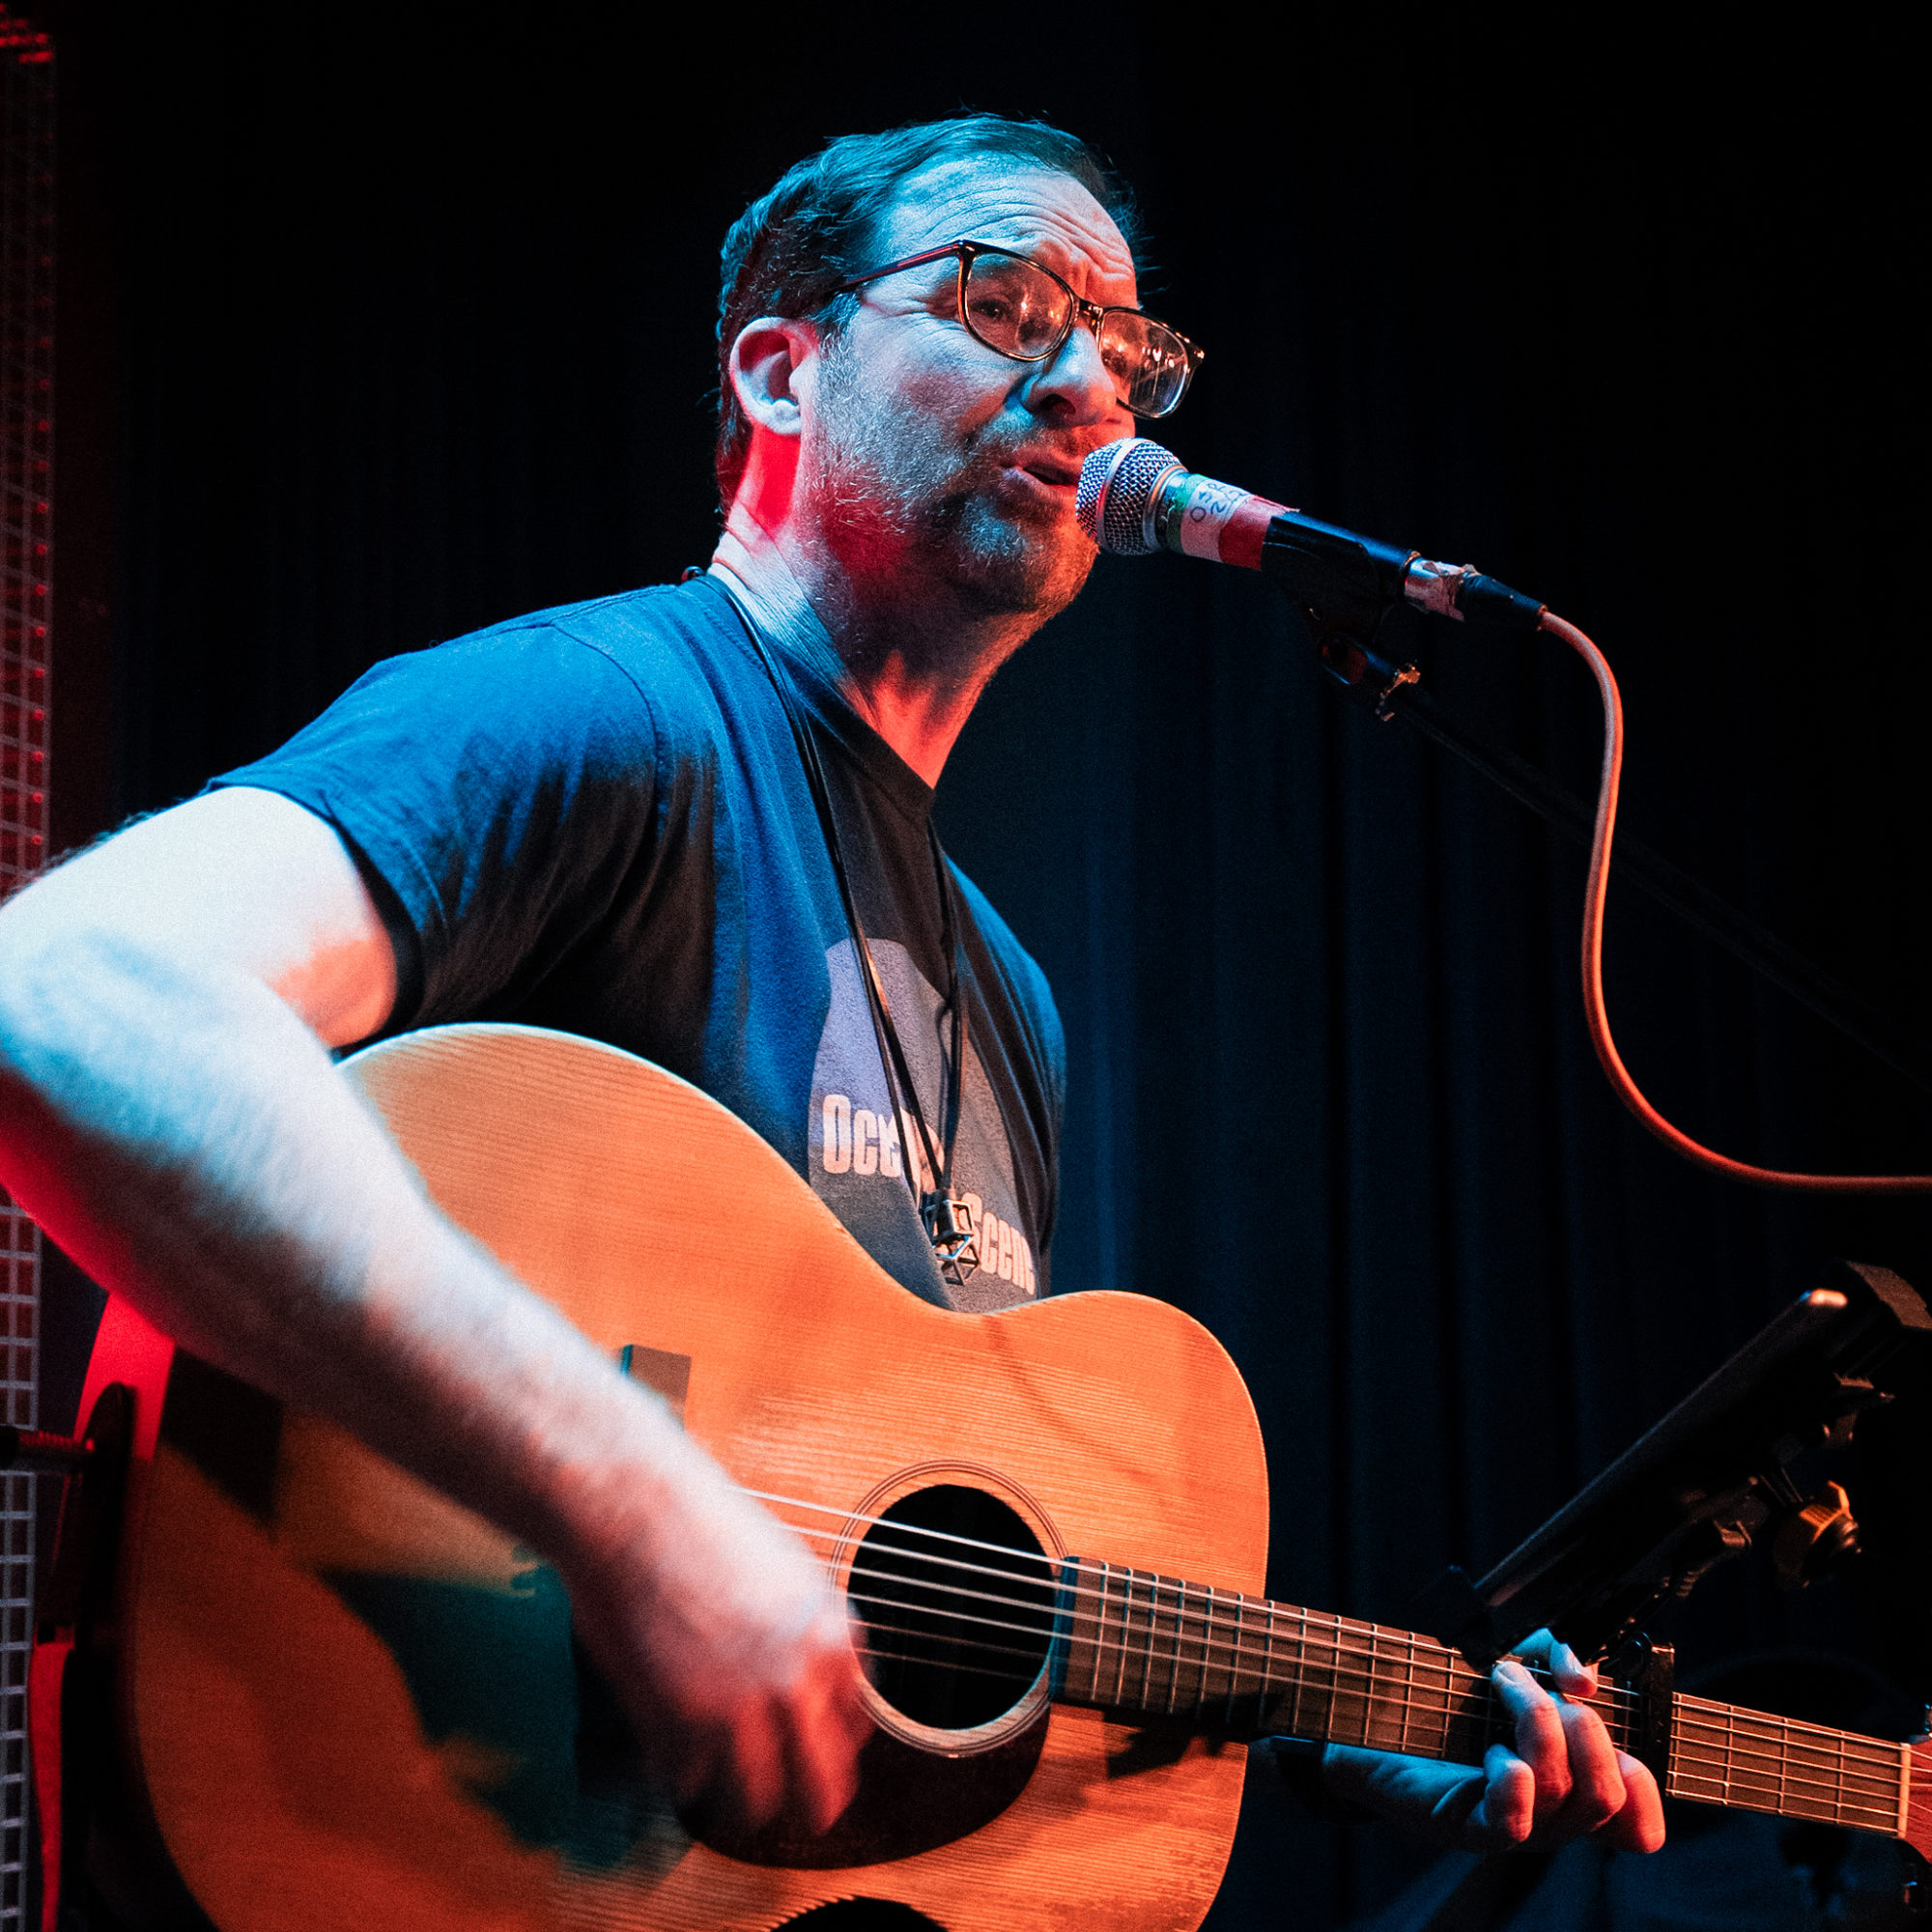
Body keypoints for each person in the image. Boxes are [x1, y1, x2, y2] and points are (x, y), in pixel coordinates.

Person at [0, 114, 1662, 1899]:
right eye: (1007, 304)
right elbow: (68, 990)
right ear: (781, 373)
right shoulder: (598, 716)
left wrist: (1347, 1744)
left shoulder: (1009, 997)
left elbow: (910, 1593)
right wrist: (628, 1506)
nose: (1090, 386)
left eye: (1127, 347)